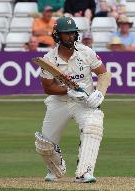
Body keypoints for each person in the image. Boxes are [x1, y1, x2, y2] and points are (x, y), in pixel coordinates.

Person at [35, 16, 111, 183]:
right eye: (66, 33)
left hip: (84, 103)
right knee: (43, 144)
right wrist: (68, 91)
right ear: (57, 36)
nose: (70, 36)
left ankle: (85, 172)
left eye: (72, 33)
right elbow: (48, 88)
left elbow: (104, 74)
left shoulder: (86, 52)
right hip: (59, 102)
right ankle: (55, 168)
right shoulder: (49, 59)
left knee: (93, 125)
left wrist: (99, 93)